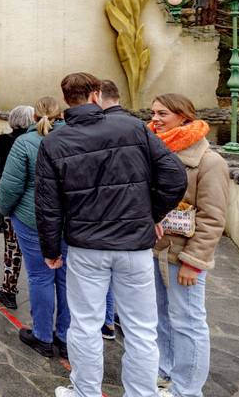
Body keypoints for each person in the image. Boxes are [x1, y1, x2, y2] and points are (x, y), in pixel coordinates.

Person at [36, 72, 187, 397]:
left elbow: (48, 205)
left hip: (86, 247)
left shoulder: (54, 143)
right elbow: (175, 177)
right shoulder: (132, 127)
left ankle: (85, 392)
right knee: (141, 329)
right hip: (134, 245)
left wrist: (51, 248)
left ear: (66, 100)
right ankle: (141, 394)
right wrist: (151, 215)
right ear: (95, 95)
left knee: (85, 325)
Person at [148, 93, 228, 397]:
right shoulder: (154, 151)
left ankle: (188, 390)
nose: (155, 119)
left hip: (183, 257)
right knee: (161, 316)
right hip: (156, 250)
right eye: (154, 112)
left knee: (189, 322)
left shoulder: (210, 162)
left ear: (184, 117)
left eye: (163, 114)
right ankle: (164, 373)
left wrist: (194, 261)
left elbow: (213, 218)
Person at [0, 96, 69, 359]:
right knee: (64, 279)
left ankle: (42, 335)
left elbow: (10, 185)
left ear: (34, 117)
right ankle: (64, 336)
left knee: (40, 276)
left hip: (32, 218)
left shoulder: (25, 143)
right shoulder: (73, 139)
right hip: (67, 220)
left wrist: (5, 210)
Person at [0, 104, 34, 310]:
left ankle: (8, 290)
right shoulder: (38, 141)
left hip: (10, 203)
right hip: (33, 203)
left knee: (12, 249)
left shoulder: (3, 141)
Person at [96, 79, 128, 339]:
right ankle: (115, 319)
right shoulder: (140, 129)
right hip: (130, 219)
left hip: (102, 218)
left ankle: (106, 322)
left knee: (103, 275)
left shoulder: (97, 128)